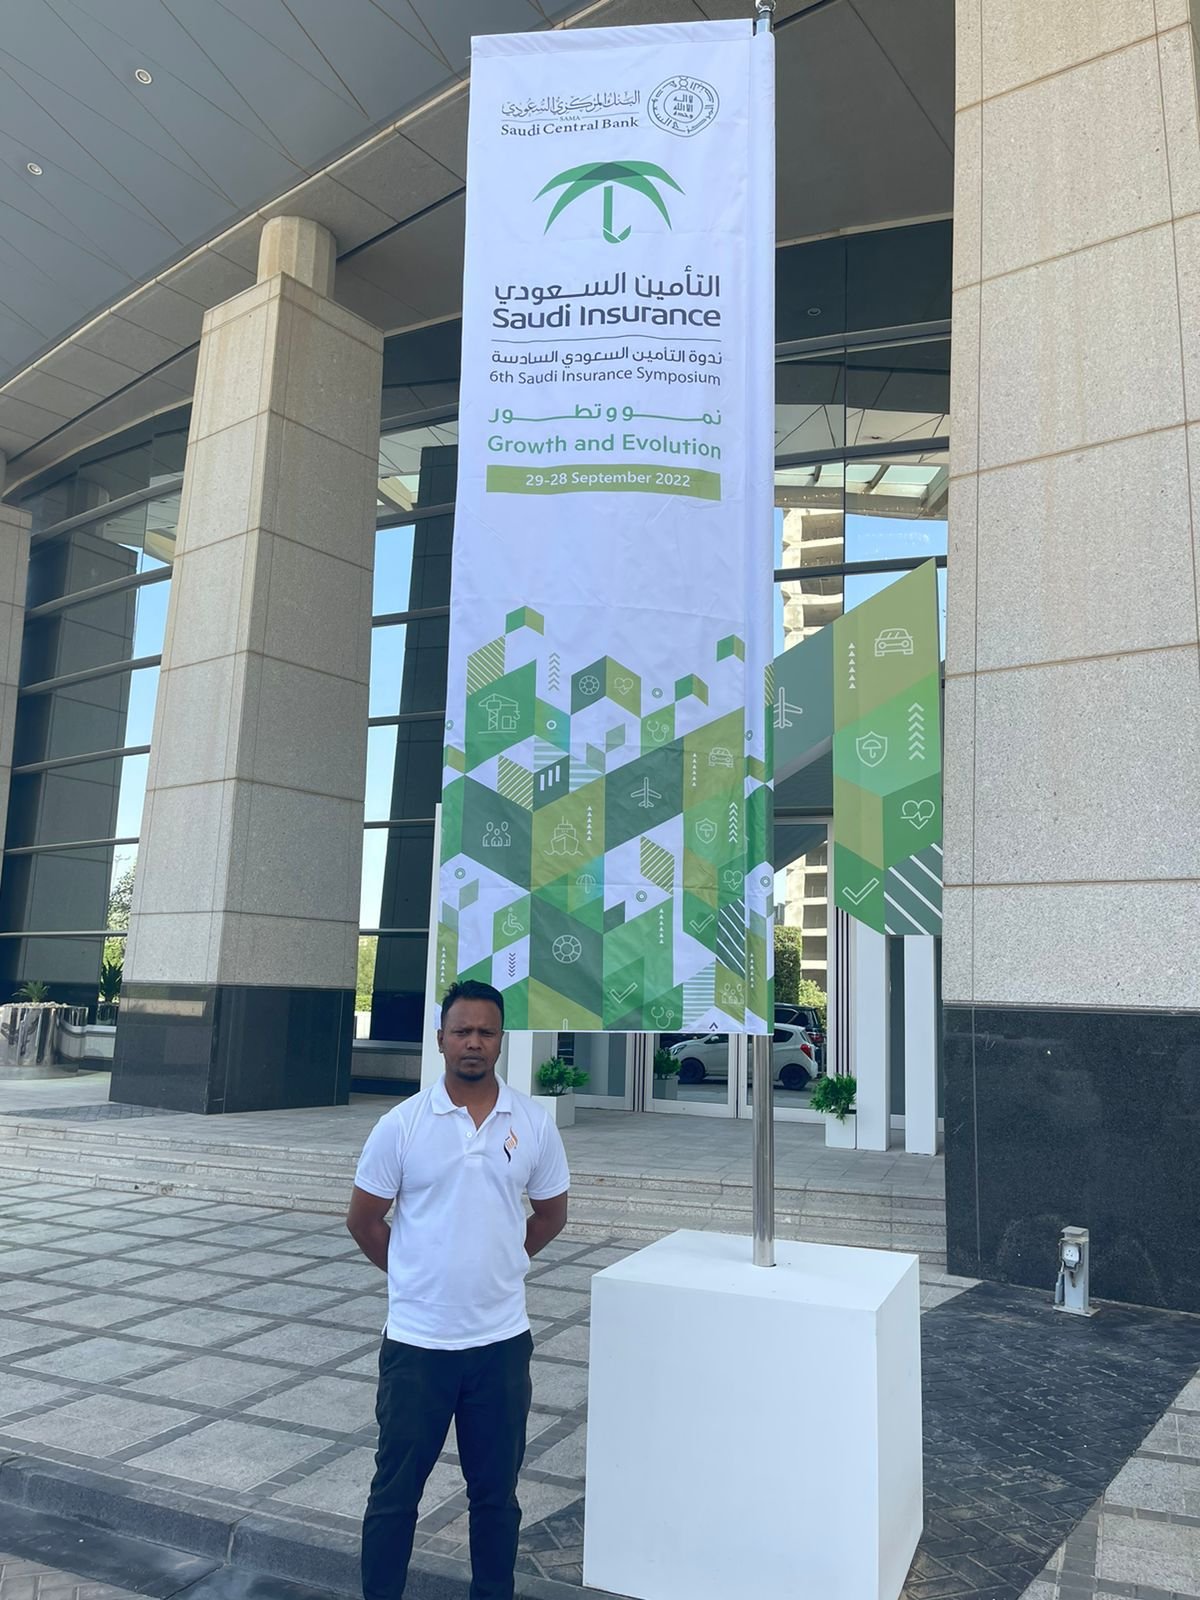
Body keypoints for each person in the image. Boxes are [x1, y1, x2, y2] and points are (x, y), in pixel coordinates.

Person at [348, 978, 570, 1600]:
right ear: (441, 1038)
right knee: (394, 1494)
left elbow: (551, 1215)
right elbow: (364, 1221)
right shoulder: (401, 1125)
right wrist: (417, 1274)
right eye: (462, 1031)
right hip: (418, 1346)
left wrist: (501, 1262)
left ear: (501, 1040)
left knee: (496, 1497)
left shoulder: (532, 1123)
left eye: (486, 1032)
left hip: (500, 1345)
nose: (474, 1042)